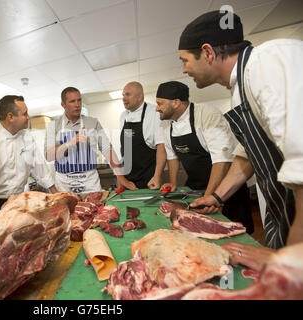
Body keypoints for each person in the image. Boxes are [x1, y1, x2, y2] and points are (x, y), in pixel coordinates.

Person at [178, 10, 303, 266]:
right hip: (284, 214)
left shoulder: (267, 62)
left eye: (185, 60)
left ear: (208, 52)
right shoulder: (239, 90)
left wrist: (292, 261)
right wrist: (217, 197)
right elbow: (248, 153)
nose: (183, 69)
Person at [155, 80, 254, 233]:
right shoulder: (166, 124)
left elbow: (221, 160)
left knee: (234, 234)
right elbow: (172, 156)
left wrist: (209, 198)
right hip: (196, 187)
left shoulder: (206, 114)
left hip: (227, 189)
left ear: (175, 103)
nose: (157, 108)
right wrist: (173, 183)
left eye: (160, 104)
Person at [46, 87, 136, 194]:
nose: (77, 104)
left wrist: (120, 176)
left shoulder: (93, 123)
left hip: (90, 183)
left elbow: (107, 148)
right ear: (63, 104)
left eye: (79, 100)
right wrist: (70, 144)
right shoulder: (53, 126)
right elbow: (49, 156)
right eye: (72, 101)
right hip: (64, 185)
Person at [0, 95, 58, 213]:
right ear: (10, 117)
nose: (28, 117)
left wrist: (56, 194)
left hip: (18, 200)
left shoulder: (27, 136)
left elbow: (40, 168)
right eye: (25, 114)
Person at [119, 82, 166, 189]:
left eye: (128, 94)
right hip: (128, 181)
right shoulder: (123, 116)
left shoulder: (154, 112)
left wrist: (157, 176)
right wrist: (121, 178)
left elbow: (161, 146)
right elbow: (125, 150)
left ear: (140, 96)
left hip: (149, 180)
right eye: (123, 95)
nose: (124, 98)